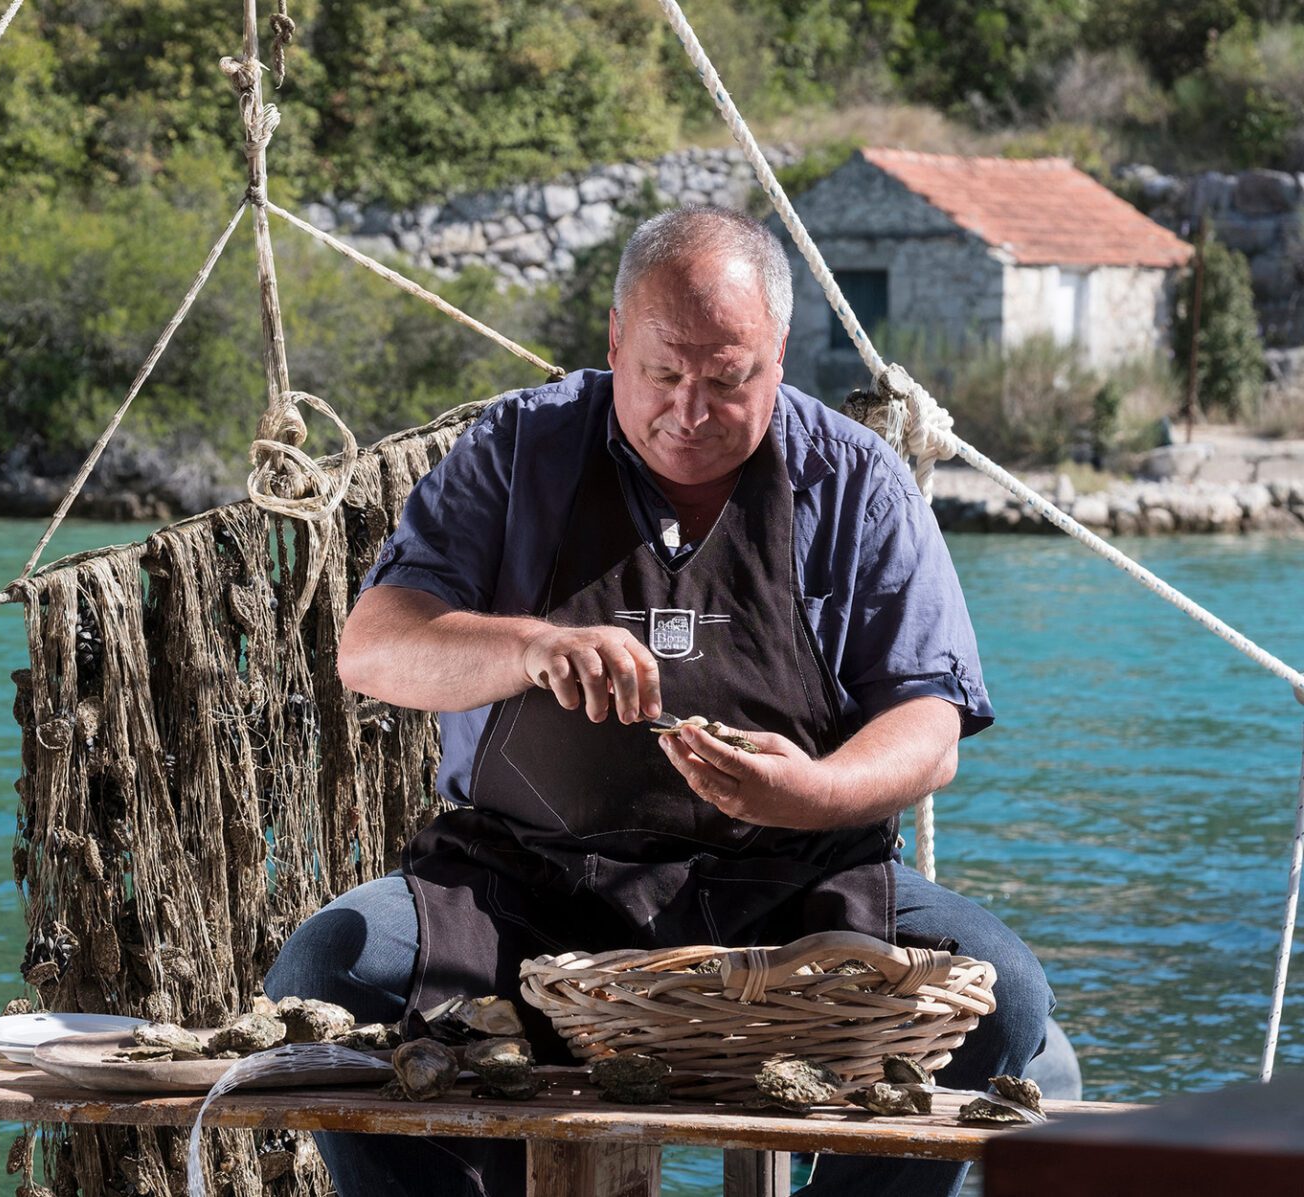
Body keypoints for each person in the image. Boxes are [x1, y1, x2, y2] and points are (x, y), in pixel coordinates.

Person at [266, 206, 1052, 1197]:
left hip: (797, 893)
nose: (690, 410)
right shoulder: (516, 449)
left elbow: (929, 725)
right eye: (662, 374)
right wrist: (533, 647)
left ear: (778, 352)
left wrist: (808, 791)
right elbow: (373, 647)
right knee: (323, 975)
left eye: (730, 380)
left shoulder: (856, 480)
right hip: (523, 888)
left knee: (1006, 1001)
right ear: (613, 343)